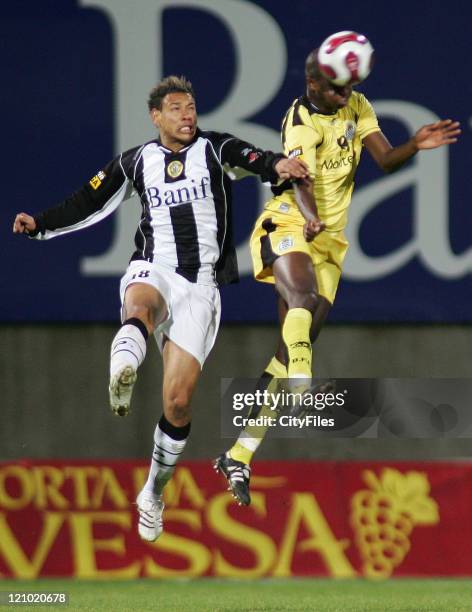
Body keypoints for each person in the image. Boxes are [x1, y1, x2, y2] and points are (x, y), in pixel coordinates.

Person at [12, 75, 309, 541]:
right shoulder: (136, 161)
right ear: (156, 116)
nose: (187, 115)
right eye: (176, 108)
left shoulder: (214, 148)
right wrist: (40, 226)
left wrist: (278, 164)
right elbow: (87, 201)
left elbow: (251, 158)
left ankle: (152, 490)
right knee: (140, 305)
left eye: (191, 106)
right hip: (154, 266)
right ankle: (123, 372)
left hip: (201, 286)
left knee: (178, 402)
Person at [215, 44, 461, 506]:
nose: (345, 94)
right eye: (335, 88)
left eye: (349, 86)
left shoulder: (356, 105)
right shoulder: (300, 119)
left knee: (290, 352)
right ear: (313, 84)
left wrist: (416, 144)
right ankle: (306, 385)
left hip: (330, 240)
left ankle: (239, 453)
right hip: (288, 222)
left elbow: (385, 159)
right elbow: (296, 178)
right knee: (302, 305)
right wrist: (308, 217)